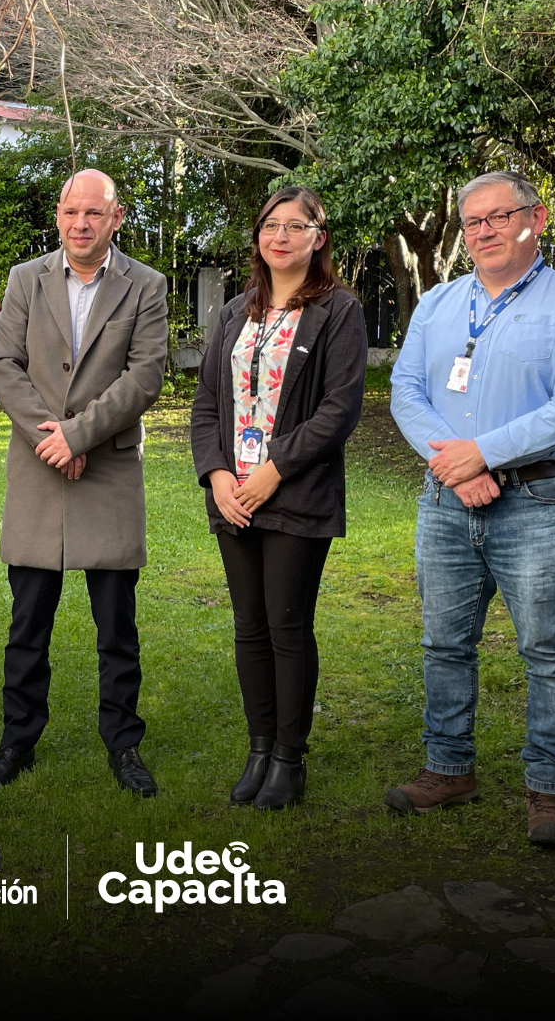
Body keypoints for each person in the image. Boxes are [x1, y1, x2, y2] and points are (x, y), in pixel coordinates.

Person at [388, 170, 555, 847]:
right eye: (474, 221)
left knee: (549, 652)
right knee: (444, 644)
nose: (486, 231)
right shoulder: (438, 303)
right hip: (447, 501)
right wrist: (457, 467)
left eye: (500, 216)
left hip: (539, 501)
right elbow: (406, 390)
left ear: (537, 218)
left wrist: (482, 454)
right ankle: (448, 770)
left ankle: (549, 791)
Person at [0, 169, 168, 795]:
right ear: (58, 216)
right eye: (70, 212)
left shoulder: (146, 285)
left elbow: (145, 376)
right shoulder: (24, 279)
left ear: (116, 218)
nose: (80, 224)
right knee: (27, 624)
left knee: (117, 628)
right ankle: (17, 740)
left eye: (93, 213)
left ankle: (124, 744)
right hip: (39, 467)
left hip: (108, 469)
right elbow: (3, 364)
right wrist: (50, 438)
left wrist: (78, 436)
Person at [191, 186, 367, 811]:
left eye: (296, 226)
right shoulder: (235, 312)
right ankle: (259, 748)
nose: (281, 236)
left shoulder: (339, 310)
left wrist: (275, 469)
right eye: (271, 225)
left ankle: (290, 758)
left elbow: (339, 409)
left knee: (287, 625)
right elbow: (206, 403)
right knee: (250, 626)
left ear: (319, 238)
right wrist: (217, 475)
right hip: (233, 495)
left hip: (295, 493)